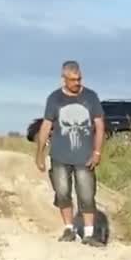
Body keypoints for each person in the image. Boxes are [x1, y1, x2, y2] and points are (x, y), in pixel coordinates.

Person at [35, 60, 106, 245]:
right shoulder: (54, 99)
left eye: (79, 79)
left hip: (84, 156)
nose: (77, 83)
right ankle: (69, 229)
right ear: (64, 79)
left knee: (86, 194)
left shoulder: (91, 97)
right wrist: (39, 154)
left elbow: (99, 125)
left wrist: (97, 152)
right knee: (62, 193)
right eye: (73, 80)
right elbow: (46, 126)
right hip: (59, 156)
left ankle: (89, 234)